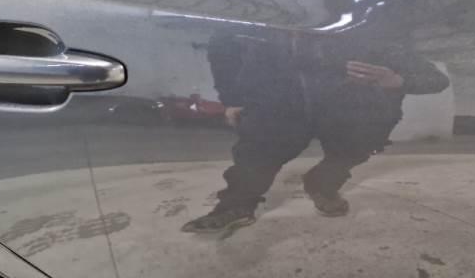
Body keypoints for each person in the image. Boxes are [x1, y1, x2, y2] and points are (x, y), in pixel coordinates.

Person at [181, 26, 449, 235]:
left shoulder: (372, 35)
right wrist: (232, 99)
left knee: (347, 154)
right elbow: (223, 57)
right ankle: (237, 205)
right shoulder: (253, 28)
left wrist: (396, 80)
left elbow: (436, 79)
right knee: (257, 156)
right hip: (279, 105)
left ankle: (321, 184)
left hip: (350, 114)